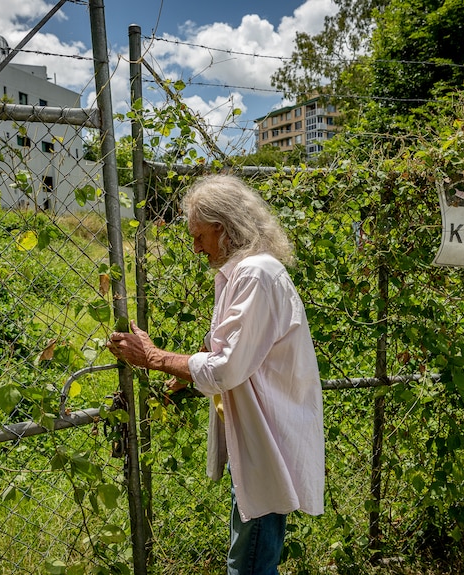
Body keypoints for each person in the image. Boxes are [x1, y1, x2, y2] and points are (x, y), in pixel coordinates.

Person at [107, 174, 325, 575]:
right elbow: (232, 349)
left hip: (266, 441)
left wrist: (154, 357)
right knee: (250, 557)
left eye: (199, 236)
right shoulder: (239, 274)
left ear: (223, 230)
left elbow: (227, 366)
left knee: (249, 566)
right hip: (258, 438)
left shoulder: (256, 274)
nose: (195, 247)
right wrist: (187, 370)